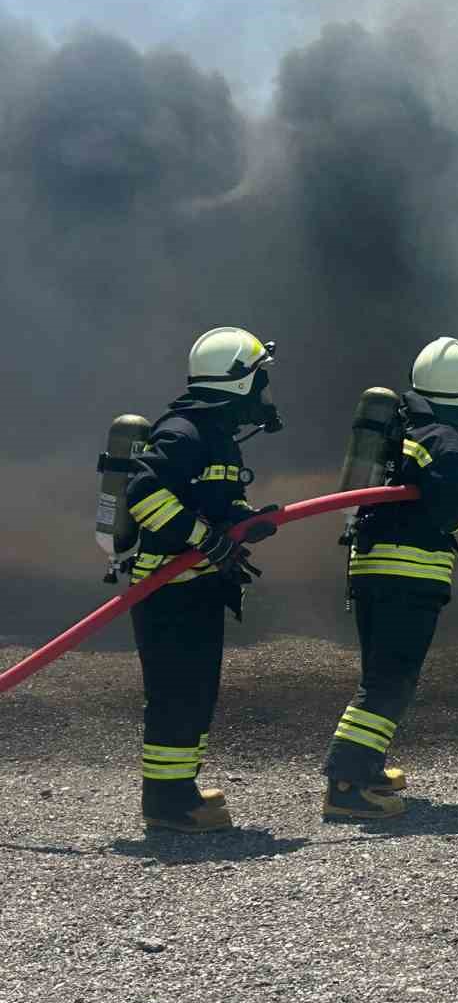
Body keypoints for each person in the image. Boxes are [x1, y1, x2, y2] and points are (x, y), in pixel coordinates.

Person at [323, 337, 458, 820]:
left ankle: (367, 765)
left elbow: (422, 486)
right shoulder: (443, 437)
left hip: (370, 566)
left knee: (380, 676)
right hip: (409, 575)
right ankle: (347, 784)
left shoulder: (406, 428)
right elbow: (448, 514)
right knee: (391, 681)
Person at [125, 327, 283, 833]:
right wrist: (203, 537)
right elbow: (144, 494)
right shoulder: (183, 432)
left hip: (195, 587)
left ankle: (181, 788)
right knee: (176, 693)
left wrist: (243, 518)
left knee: (196, 692)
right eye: (260, 380)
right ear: (238, 381)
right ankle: (167, 804)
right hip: (167, 590)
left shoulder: (215, 438)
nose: (264, 392)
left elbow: (214, 502)